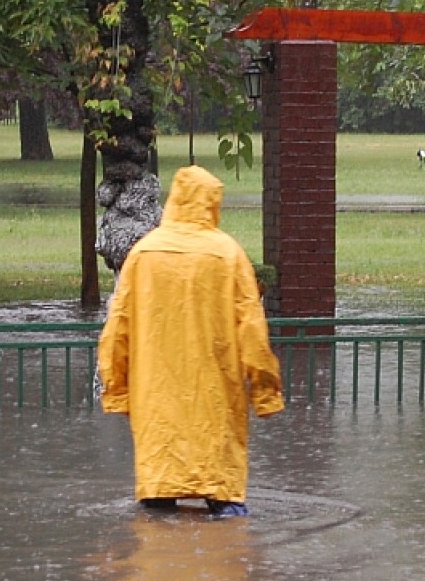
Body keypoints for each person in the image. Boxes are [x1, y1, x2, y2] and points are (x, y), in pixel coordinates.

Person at [98, 165, 285, 519]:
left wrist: (117, 390)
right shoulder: (228, 256)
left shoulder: (143, 255)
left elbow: (116, 330)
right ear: (212, 203)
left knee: (155, 533)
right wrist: (265, 393)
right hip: (215, 407)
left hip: (157, 417)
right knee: (226, 530)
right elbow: (252, 331)